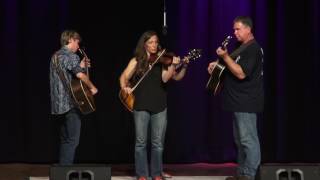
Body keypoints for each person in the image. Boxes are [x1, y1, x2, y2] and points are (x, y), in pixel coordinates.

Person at [119, 30, 182, 180]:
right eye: (150, 42)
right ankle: (142, 174)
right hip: (140, 105)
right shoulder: (137, 60)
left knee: (157, 143)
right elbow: (123, 76)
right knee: (141, 142)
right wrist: (124, 87)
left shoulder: (163, 60)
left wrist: (173, 65)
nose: (154, 45)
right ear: (145, 44)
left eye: (156, 42)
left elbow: (166, 79)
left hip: (159, 104)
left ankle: (156, 174)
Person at [207, 16, 264, 180]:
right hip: (237, 102)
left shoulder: (253, 48)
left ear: (248, 29)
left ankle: (249, 175)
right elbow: (231, 68)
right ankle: (241, 174)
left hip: (246, 102)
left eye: (238, 29)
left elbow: (240, 73)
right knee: (240, 142)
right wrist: (217, 66)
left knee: (248, 141)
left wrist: (225, 58)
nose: (234, 32)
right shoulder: (241, 48)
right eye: (234, 29)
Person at [49, 30, 98, 165]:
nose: (78, 46)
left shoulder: (56, 56)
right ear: (70, 39)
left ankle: (62, 172)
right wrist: (93, 87)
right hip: (70, 104)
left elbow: (66, 74)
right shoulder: (71, 56)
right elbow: (80, 76)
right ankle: (65, 172)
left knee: (65, 140)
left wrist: (80, 66)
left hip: (57, 106)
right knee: (73, 140)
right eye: (77, 42)